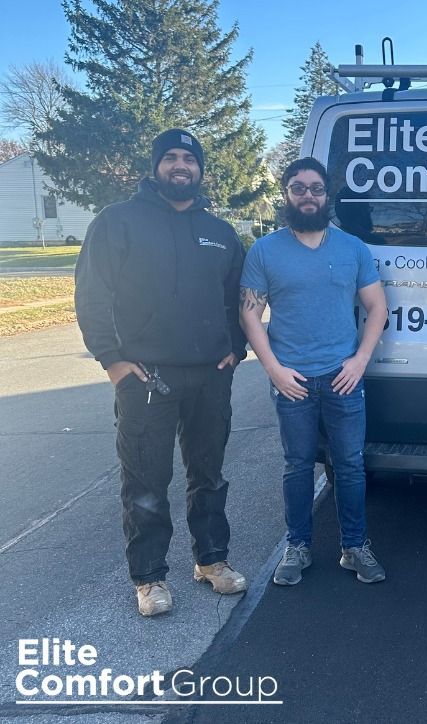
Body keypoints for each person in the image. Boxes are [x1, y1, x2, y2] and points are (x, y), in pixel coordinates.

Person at [75, 129, 248, 616]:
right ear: (155, 167)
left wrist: (236, 349)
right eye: (170, 158)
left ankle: (211, 561)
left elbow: (239, 298)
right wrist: (112, 361)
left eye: (188, 159)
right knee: (147, 480)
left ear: (199, 170)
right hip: (144, 376)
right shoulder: (117, 222)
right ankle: (149, 577)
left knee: (209, 475)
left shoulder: (220, 231)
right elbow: (91, 295)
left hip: (211, 375)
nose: (180, 166)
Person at [239, 157, 388, 586]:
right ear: (286, 194)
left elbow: (378, 308)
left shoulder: (353, 248)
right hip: (293, 382)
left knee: (351, 466)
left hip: (344, 378)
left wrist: (360, 361)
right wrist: (274, 370)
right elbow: (251, 315)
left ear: (328, 196)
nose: (308, 195)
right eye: (299, 187)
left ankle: (354, 547)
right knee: (297, 466)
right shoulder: (265, 250)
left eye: (316, 188)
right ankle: (298, 547)